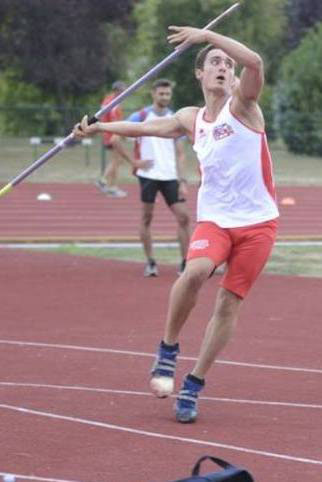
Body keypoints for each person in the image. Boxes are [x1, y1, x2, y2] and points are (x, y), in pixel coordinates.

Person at [73, 25, 279, 423]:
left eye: (227, 64)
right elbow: (147, 128)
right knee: (195, 271)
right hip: (217, 220)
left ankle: (194, 384)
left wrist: (208, 38)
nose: (223, 66)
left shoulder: (246, 106)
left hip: (258, 224)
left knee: (228, 304)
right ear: (199, 75)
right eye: (215, 63)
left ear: (235, 76)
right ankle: (167, 349)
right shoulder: (190, 118)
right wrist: (100, 127)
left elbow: (255, 61)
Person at [127, 78, 190, 277]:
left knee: (184, 217)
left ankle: (185, 263)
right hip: (148, 175)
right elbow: (115, 139)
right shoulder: (141, 116)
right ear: (153, 94)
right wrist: (134, 162)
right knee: (147, 217)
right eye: (161, 93)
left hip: (170, 176)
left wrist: (182, 180)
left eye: (167, 94)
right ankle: (151, 262)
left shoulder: (176, 119)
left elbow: (180, 153)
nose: (164, 97)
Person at [96, 80, 133, 198]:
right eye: (123, 90)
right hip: (112, 134)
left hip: (108, 133)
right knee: (117, 161)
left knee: (117, 160)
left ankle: (105, 181)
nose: (125, 93)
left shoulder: (108, 99)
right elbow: (115, 122)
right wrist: (123, 134)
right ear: (117, 90)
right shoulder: (113, 103)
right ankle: (110, 186)